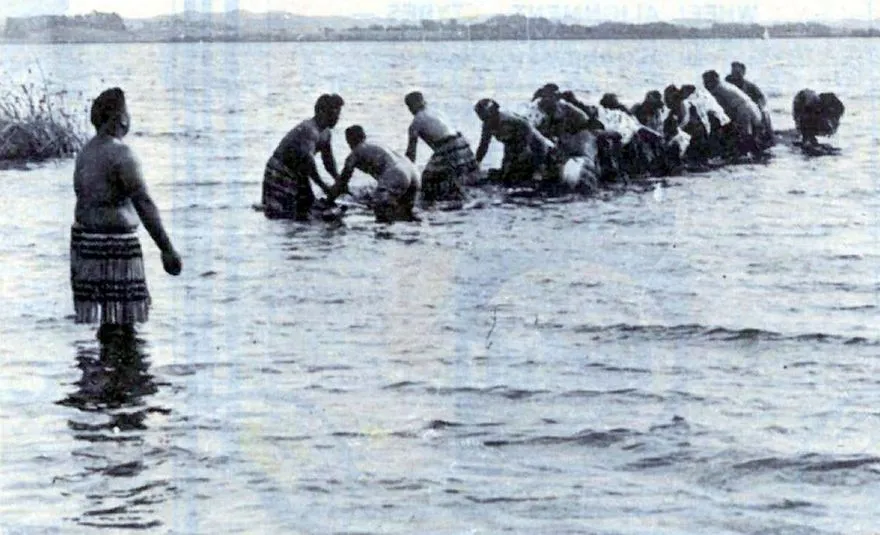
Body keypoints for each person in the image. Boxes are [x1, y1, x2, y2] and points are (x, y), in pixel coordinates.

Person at [71, 87, 182, 340]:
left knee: (109, 326)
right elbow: (143, 202)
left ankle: (110, 373)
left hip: (86, 247)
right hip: (115, 248)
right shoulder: (121, 153)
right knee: (124, 325)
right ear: (121, 118)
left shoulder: (85, 153)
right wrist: (167, 248)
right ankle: (124, 375)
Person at [262, 93, 344, 220]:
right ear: (321, 111)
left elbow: (328, 161)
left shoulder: (326, 133)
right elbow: (308, 162)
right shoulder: (309, 130)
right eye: (334, 113)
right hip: (279, 171)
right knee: (280, 212)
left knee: (304, 207)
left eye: (339, 113)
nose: (337, 117)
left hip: (298, 173)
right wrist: (323, 186)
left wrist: (339, 180)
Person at [327, 125, 419, 223]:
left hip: (395, 174)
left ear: (349, 140)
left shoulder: (356, 152)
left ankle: (384, 236)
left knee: (382, 215)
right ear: (364, 136)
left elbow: (342, 181)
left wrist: (329, 200)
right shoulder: (376, 144)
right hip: (412, 172)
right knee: (405, 215)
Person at [404, 91, 475, 204]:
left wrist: (406, 171)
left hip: (447, 146)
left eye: (409, 107)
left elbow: (411, 154)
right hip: (462, 143)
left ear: (411, 107)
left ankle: (427, 203)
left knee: (427, 178)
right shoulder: (436, 111)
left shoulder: (416, 122)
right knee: (451, 173)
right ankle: (461, 197)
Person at [473, 98, 555, 185]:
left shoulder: (510, 119)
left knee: (525, 176)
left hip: (534, 146)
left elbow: (528, 130)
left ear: (494, 113)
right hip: (512, 146)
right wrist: (477, 162)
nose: (487, 121)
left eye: (488, 117)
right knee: (506, 176)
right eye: (483, 118)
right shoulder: (487, 126)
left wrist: (525, 153)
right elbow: (484, 145)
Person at [702, 70, 768, 157]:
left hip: (743, 110)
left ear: (713, 80)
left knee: (744, 135)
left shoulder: (717, 90)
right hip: (752, 108)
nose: (705, 84)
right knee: (748, 134)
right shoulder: (725, 85)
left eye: (706, 81)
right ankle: (754, 152)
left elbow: (724, 109)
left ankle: (748, 154)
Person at [725, 62, 774, 148]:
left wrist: (760, 107)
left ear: (743, 73)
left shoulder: (749, 86)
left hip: (746, 111)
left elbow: (761, 98)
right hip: (729, 110)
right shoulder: (726, 84)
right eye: (734, 72)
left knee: (765, 115)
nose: (736, 75)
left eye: (738, 73)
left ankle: (767, 139)